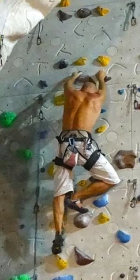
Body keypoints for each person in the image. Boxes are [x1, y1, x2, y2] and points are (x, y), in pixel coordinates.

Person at [52, 69, 120, 254]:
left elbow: (68, 84)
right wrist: (100, 78)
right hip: (84, 145)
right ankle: (76, 197)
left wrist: (74, 76)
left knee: (59, 191)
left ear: (81, 87)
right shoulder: (97, 97)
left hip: (65, 145)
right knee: (112, 179)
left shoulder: (71, 93)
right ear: (93, 90)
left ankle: (58, 234)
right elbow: (103, 87)